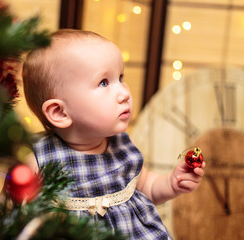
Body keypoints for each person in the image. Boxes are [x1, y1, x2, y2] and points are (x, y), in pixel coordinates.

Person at [21, 29, 205, 239]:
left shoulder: (123, 145)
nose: (125, 93)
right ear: (60, 112)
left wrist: (172, 184)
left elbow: (146, 187)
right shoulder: (38, 159)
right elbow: (12, 212)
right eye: (104, 83)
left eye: (120, 77)